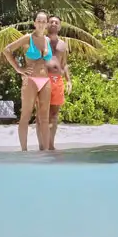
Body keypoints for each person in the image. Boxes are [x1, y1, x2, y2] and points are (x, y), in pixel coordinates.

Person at [2, 10, 54, 151]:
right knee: (25, 115)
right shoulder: (27, 38)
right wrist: (18, 69)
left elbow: (48, 61)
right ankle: (24, 151)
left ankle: (46, 150)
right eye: (39, 21)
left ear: (47, 24)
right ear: (35, 23)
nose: (41, 24)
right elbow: (7, 50)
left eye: (44, 21)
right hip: (30, 80)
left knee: (44, 118)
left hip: (45, 81)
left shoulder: (48, 40)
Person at [38, 14, 71, 151]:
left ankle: (51, 145)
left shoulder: (63, 44)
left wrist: (69, 80)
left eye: (56, 22)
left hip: (58, 81)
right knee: (41, 114)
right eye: (50, 22)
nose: (53, 24)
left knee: (54, 114)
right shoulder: (40, 41)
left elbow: (64, 64)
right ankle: (42, 145)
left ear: (60, 26)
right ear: (46, 25)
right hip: (43, 80)